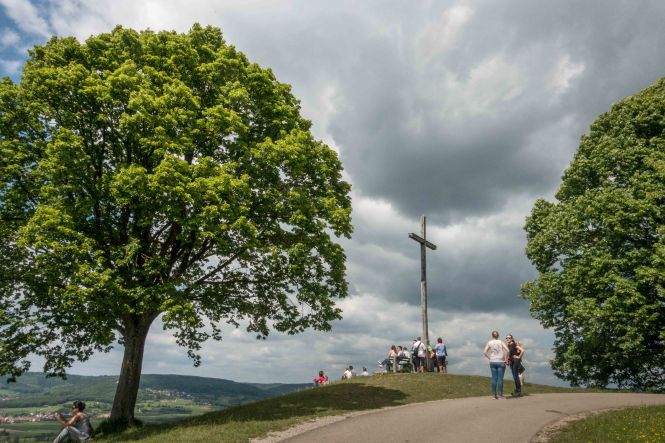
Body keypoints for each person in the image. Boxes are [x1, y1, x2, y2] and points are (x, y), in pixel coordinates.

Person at [483, 330, 510, 399]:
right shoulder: (501, 342)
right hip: (501, 361)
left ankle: (494, 395)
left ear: (492, 336)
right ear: (498, 335)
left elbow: (484, 352)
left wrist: (490, 358)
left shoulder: (489, 342)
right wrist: (506, 358)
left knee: (494, 378)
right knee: (500, 379)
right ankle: (500, 395)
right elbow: (508, 351)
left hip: (492, 361)